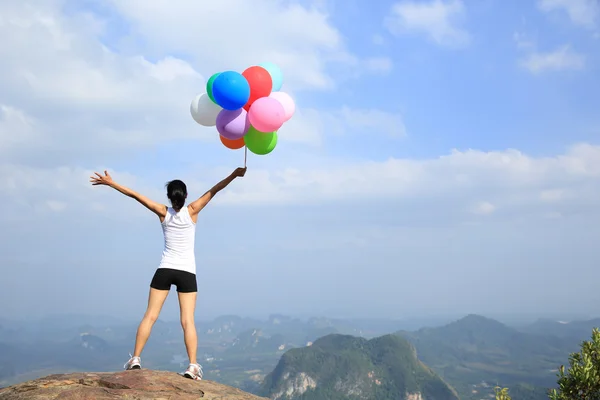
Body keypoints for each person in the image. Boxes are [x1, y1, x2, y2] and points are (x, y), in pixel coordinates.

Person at [89, 166, 247, 380]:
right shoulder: (193, 210)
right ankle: (192, 366)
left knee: (150, 316)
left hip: (164, 269)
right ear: (186, 196)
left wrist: (112, 183)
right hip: (186, 272)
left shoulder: (163, 211)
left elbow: (135, 195)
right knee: (187, 321)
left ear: (169, 197)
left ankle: (135, 358)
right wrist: (235, 175)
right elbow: (215, 189)